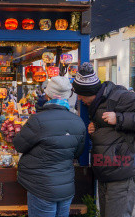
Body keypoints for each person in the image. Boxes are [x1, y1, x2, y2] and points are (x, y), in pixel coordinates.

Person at [72, 63, 135, 217]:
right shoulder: (97, 103)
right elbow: (110, 132)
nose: (79, 98)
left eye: (81, 95)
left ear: (90, 91)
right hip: (106, 171)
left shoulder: (120, 96)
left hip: (123, 172)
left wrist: (120, 118)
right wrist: (95, 129)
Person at [14, 76, 86, 217]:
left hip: (41, 186)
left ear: (47, 95)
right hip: (65, 187)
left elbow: (19, 145)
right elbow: (77, 153)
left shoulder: (38, 120)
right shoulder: (78, 122)